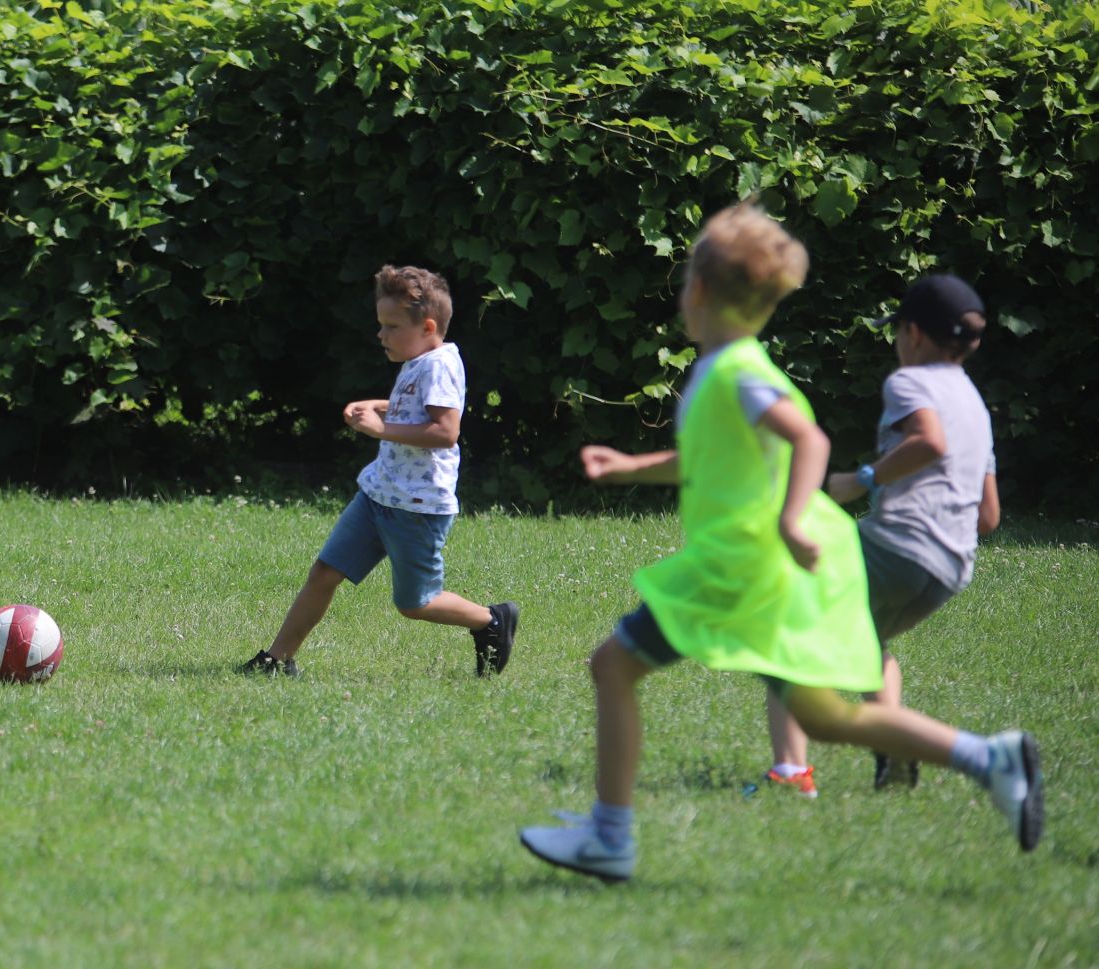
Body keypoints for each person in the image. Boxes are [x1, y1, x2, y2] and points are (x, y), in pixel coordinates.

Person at [518, 204, 1042, 883]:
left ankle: (610, 838)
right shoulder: (728, 369)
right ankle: (990, 758)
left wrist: (794, 518)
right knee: (825, 716)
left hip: (738, 565)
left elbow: (809, 437)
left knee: (612, 666)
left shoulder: (738, 369)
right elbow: (708, 456)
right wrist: (632, 467)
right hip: (757, 571)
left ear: (699, 291)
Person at [764, 274, 1001, 797]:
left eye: (897, 331)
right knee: (869, 643)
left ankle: (789, 771)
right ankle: (894, 752)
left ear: (913, 334)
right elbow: (989, 517)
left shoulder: (909, 382)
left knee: (785, 614)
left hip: (901, 544)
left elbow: (930, 442)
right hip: (950, 568)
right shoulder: (976, 406)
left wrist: (862, 479)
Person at [238, 265, 517, 677]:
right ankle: (277, 660)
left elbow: (445, 431)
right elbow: (418, 409)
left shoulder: (439, 365)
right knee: (324, 572)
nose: (381, 335)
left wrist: (381, 428)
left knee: (416, 603)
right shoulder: (419, 359)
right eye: (380, 325)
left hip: (416, 508)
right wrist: (379, 405)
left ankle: (490, 621)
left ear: (426, 326)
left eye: (390, 326)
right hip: (378, 495)